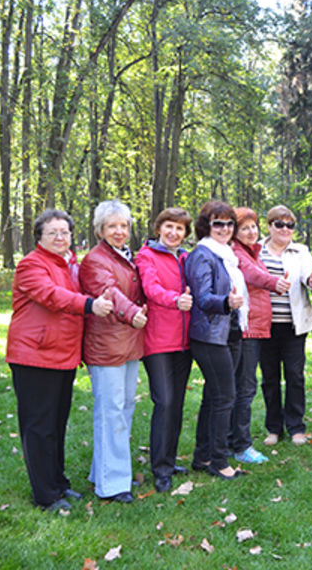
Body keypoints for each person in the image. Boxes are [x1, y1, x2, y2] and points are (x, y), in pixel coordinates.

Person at [6, 210, 113, 511]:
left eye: (65, 232)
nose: (60, 237)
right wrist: (90, 305)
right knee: (39, 427)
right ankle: (45, 494)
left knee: (56, 423)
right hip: (34, 357)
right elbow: (51, 295)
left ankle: (58, 483)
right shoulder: (31, 265)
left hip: (63, 356)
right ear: (39, 236)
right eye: (52, 232)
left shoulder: (70, 265)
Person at [80, 200, 148, 503]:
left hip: (129, 341)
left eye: (123, 226)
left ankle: (103, 471)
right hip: (106, 344)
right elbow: (109, 291)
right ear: (99, 230)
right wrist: (132, 312)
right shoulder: (95, 260)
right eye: (112, 226)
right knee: (112, 413)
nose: (119, 231)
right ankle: (113, 486)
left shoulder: (126, 257)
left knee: (123, 410)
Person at [185, 201, 247, 480]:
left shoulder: (227, 255)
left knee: (213, 397)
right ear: (206, 226)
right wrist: (227, 302)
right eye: (217, 223)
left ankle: (203, 456)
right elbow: (203, 297)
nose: (224, 228)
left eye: (229, 223)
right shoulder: (203, 254)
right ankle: (220, 462)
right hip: (210, 334)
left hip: (230, 332)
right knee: (225, 397)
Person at [135, 207, 194, 493]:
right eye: (169, 227)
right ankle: (160, 469)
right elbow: (151, 287)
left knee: (177, 403)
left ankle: (169, 461)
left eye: (180, 229)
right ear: (159, 228)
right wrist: (175, 300)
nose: (174, 233)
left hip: (184, 342)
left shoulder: (185, 257)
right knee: (165, 401)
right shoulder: (147, 255)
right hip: (158, 341)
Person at [229, 207, 289, 463]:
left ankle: (232, 440)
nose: (252, 232)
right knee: (244, 387)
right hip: (247, 329)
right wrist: (275, 282)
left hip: (257, 327)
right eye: (245, 228)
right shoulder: (237, 253)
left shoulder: (252, 252)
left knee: (244, 386)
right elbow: (251, 276)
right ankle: (240, 445)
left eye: (253, 227)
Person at [258, 205, 312, 446]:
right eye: (279, 224)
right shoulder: (258, 252)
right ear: (269, 226)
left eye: (290, 225)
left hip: (295, 325)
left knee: (295, 376)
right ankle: (274, 428)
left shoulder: (301, 251)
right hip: (265, 325)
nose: (285, 229)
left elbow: (310, 277)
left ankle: (296, 427)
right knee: (270, 377)